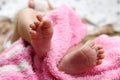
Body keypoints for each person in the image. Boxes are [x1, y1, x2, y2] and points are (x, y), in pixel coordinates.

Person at [9, 1, 104, 74]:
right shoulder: (39, 15)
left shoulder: (61, 17)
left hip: (58, 42)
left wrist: (72, 17)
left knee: (75, 44)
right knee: (25, 13)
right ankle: (38, 39)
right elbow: (30, 7)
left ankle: (66, 63)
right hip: (29, 43)